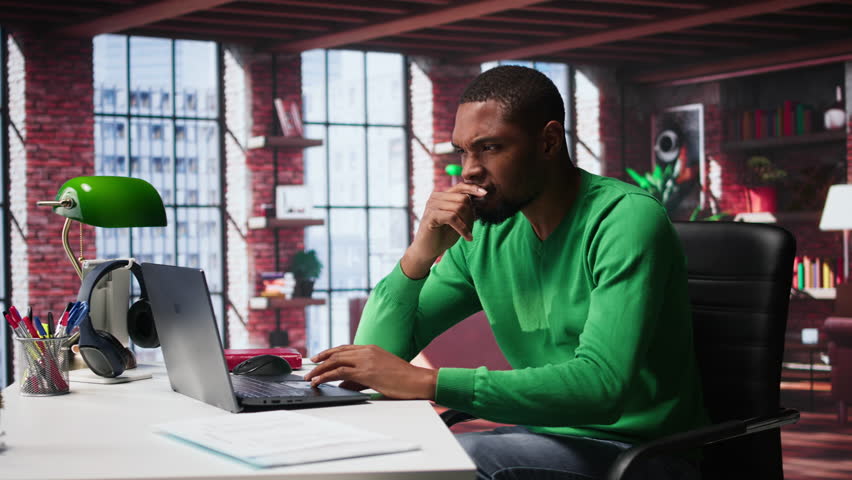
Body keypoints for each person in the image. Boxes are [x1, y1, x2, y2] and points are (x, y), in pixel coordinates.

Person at [305, 65, 708, 479]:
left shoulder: (624, 220)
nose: (470, 170)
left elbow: (601, 387)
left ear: (549, 141)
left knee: (453, 461)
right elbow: (379, 355)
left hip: (642, 453)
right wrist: (419, 256)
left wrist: (428, 383)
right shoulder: (485, 233)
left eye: (491, 148)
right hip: (544, 438)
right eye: (463, 151)